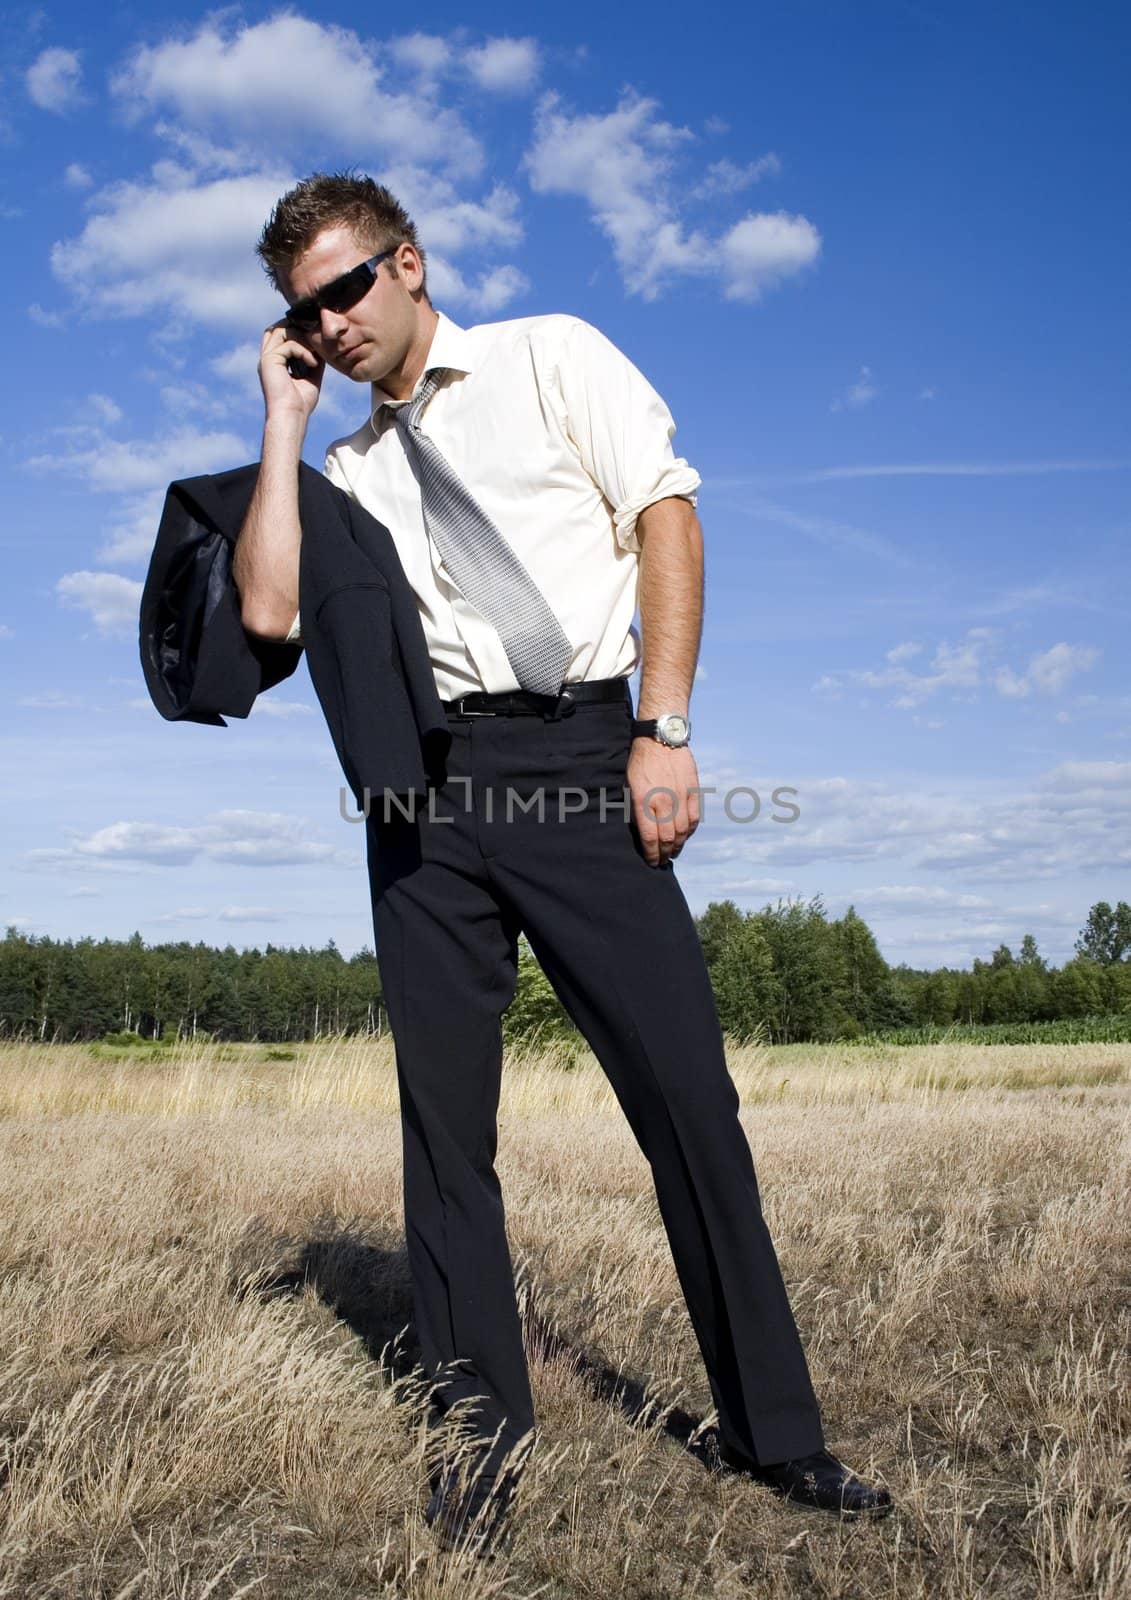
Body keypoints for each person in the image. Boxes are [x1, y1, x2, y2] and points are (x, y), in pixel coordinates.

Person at [233, 172, 891, 1553]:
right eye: (304, 310)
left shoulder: (553, 353)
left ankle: (780, 1436)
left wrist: (664, 726)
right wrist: (286, 419)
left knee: (686, 1101)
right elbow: (271, 609)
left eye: (348, 287)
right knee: (445, 1130)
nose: (332, 322)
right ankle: (477, 1437)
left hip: (586, 757)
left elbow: (667, 513)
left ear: (410, 264)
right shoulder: (340, 470)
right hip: (426, 795)